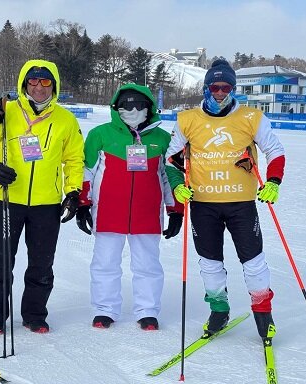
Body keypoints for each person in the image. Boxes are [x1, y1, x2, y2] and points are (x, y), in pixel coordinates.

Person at [165, 59, 285, 340]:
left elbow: (275, 151)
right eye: (215, 87)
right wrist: (177, 187)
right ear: (206, 88)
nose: (220, 92)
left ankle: (263, 312)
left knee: (254, 261)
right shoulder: (187, 119)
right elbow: (171, 160)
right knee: (210, 262)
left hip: (241, 204)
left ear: (233, 88)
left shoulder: (251, 117)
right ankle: (219, 309)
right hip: (203, 203)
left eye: (226, 87)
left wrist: (274, 182)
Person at [0, 59, 84, 334]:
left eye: (45, 81)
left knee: (42, 262)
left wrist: (73, 190)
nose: (39, 87)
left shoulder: (66, 119)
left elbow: (73, 159)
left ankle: (35, 314)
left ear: (54, 85)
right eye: (32, 81)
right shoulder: (5, 111)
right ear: (24, 84)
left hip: (46, 204)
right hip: (9, 199)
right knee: (0, 258)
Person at [76, 84, 183, 331]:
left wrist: (175, 209)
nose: (132, 110)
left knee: (148, 264)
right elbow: (86, 171)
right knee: (105, 263)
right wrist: (83, 203)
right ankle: (105, 309)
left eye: (139, 104)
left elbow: (170, 176)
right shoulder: (100, 134)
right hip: (108, 211)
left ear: (149, 107)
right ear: (116, 107)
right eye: (126, 105)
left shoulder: (162, 138)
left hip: (146, 212)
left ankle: (147, 310)